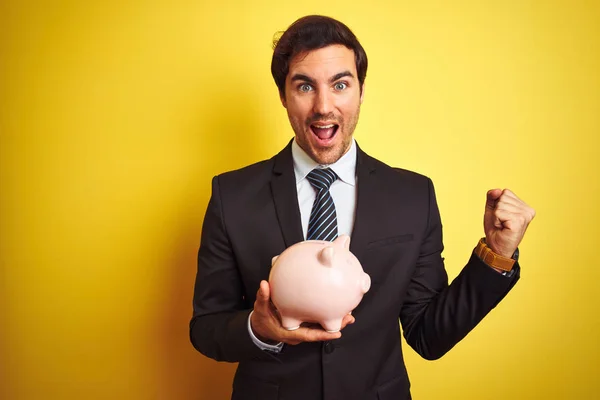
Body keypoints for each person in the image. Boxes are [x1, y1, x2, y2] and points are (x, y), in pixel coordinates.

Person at [189, 15, 535, 400]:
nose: (324, 106)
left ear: (361, 90)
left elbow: (428, 335)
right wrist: (259, 327)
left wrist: (497, 256)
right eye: (304, 86)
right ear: (283, 95)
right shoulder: (231, 195)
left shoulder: (412, 195)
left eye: (340, 84)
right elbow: (206, 328)